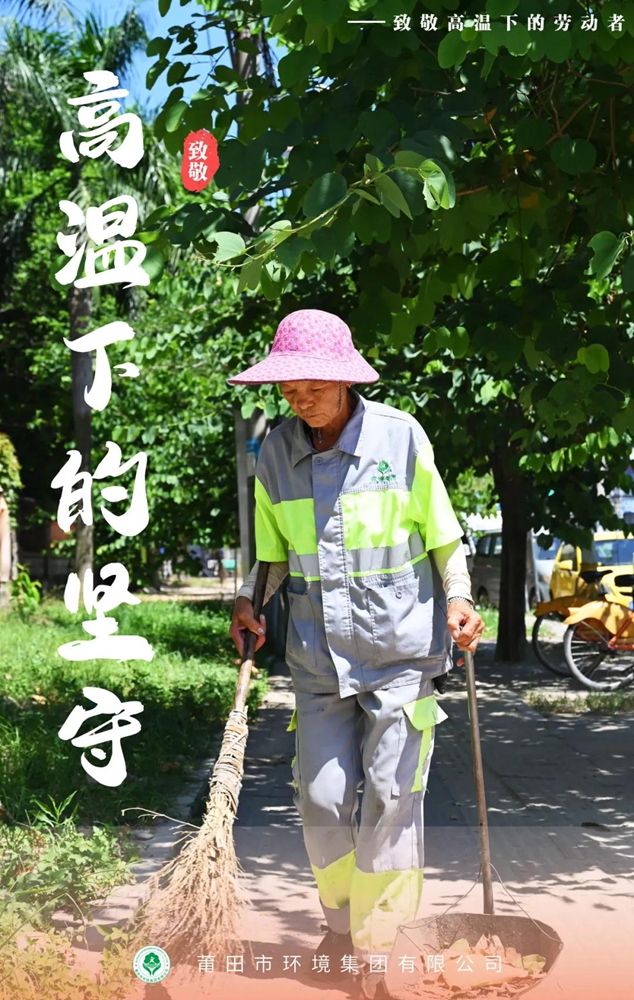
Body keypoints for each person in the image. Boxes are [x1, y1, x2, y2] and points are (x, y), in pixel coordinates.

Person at [228, 309, 484, 999]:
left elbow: (443, 536)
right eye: (288, 389)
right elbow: (271, 556)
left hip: (402, 655)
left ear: (344, 380)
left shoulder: (400, 438)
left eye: (312, 386)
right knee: (321, 800)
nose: (299, 399)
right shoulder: (274, 453)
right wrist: (250, 600)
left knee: (393, 799)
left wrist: (459, 597)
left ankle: (380, 950)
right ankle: (340, 924)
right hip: (318, 660)